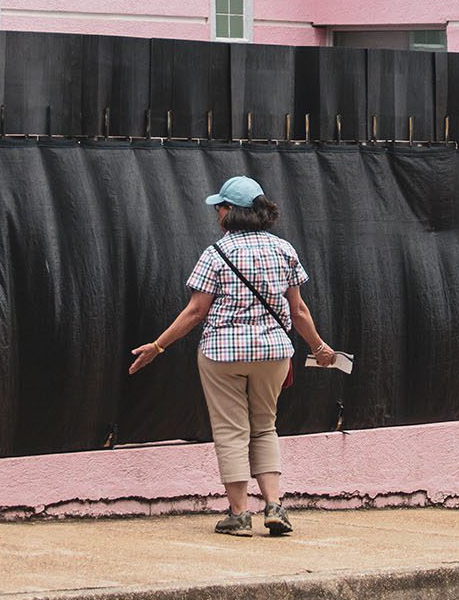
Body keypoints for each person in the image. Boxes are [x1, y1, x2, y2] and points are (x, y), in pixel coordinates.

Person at [128, 175, 337, 537]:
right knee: (265, 425)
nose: (217, 213)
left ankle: (239, 514)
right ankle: (274, 506)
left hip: (223, 356)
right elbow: (299, 310)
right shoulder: (283, 250)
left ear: (231, 212)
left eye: (220, 207)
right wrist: (319, 347)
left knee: (230, 431)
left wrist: (158, 346)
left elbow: (195, 312)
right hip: (274, 354)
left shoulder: (216, 254)